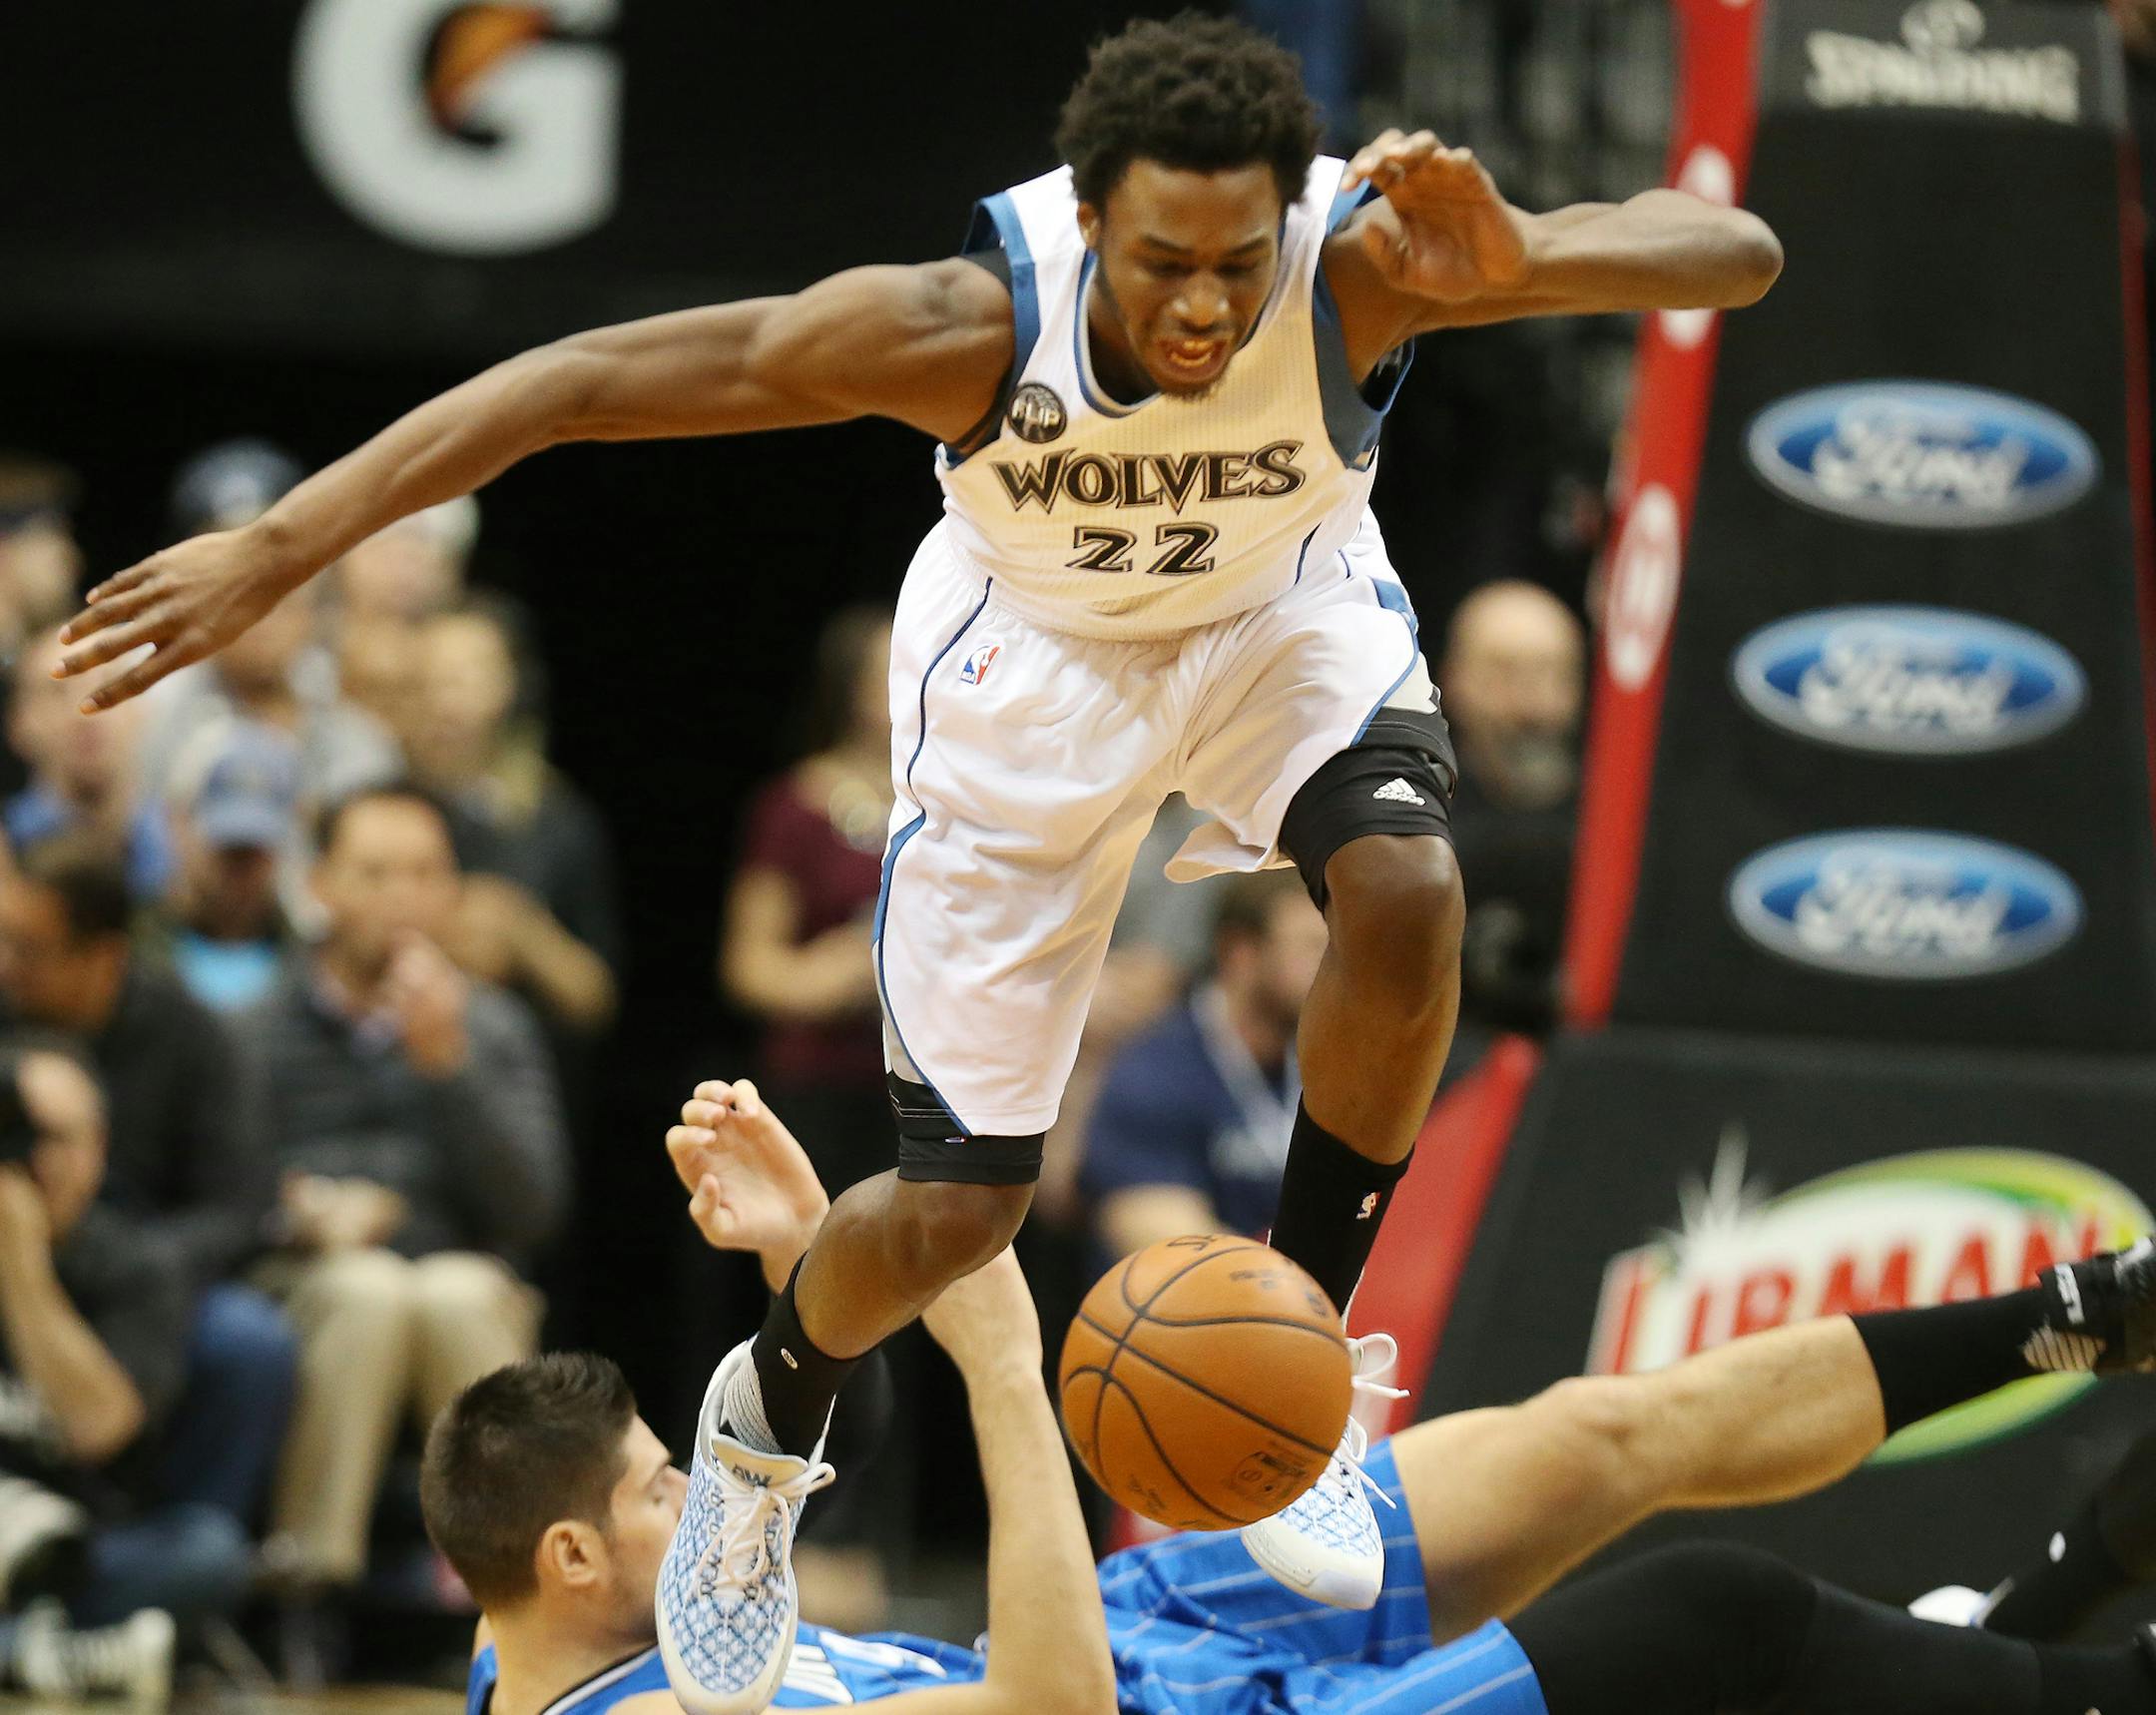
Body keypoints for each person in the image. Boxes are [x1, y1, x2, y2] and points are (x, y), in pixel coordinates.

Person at [53, 11, 1784, 1683]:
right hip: (1029, 671)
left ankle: (1305, 1357)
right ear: (1091, 216)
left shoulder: (1364, 260)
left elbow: (1736, 250)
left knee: (1407, 891)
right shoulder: (959, 323)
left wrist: (1513, 250)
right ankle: (764, 1424)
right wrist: (281, 543)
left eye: (1237, 263)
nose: (1202, 302)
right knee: (960, 1212)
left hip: (1282, 616)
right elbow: (579, 380)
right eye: (1162, 258)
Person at [425, 1077, 2156, 1715]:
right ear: (576, 1555)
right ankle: (2088, 1667)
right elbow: (1044, 1700)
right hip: (1103, 1688)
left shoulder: (534, 1628)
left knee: (1601, 1434)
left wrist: (821, 1268)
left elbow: (811, 1463)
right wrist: (1005, 1364)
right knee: (1726, 1615)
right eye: (663, 1486)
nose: (699, 1494)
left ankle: (2090, 1311)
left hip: (1147, 1622)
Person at [248, 782, 569, 1594]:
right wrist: (303, 1215)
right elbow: (223, 1188)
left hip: (458, 1272)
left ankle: (500, 1589)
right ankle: (309, 1585)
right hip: (309, 1275)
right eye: (375, 873)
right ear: (319, 884)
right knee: (367, 1292)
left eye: (424, 874)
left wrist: (448, 1068)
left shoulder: (492, 1026)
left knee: (454, 1293)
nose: (402, 898)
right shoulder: (256, 1026)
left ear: (452, 888)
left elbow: (536, 1207)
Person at [0, 835, 293, 1541]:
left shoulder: (192, 1035)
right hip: (8, 1235)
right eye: (2, 940)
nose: (7, 965)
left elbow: (240, 1206)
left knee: (247, 1342)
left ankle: (169, 1553)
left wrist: (135, 1263)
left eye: (30, 950)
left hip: (144, 1262)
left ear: (103, 956)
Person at [0, 1044, 252, 1702]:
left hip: (73, 1551)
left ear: (98, 1148)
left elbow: (99, 1430)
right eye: (17, 1134)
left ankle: (25, 1648)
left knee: (207, 1552)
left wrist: (21, 1268)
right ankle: (41, 1655)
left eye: (55, 1139)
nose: (35, 1162)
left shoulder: (139, 1268)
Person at [1081, 868, 1326, 1259]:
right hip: (1181, 1307)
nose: (1331, 970)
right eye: (1311, 948)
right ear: (1240, 953)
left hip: (1287, 1300)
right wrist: (1294, 1290)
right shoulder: (1155, 1071)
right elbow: (1152, 1229)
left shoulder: (1319, 1063)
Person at [1436, 580, 1583, 1040]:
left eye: (1550, 673)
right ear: (1453, 681)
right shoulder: (1411, 816)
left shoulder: (1619, 828)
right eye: (1505, 673)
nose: (1530, 703)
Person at [142, 718, 304, 1014]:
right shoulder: (131, 954)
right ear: (177, 823)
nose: (240, 866)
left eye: (255, 848)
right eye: (226, 848)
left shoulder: (314, 965)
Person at [5, 626, 173, 904]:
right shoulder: (7, 854)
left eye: (109, 686)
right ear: (18, 724)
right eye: (57, 692)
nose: (86, 713)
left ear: (142, 708)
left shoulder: (188, 852)